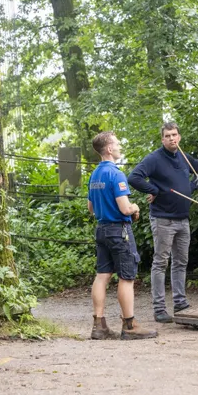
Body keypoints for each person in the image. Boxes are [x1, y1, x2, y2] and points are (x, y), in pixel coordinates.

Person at [88, 132, 158, 340]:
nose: (120, 147)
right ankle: (129, 325)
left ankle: (98, 325)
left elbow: (91, 208)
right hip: (119, 231)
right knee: (126, 277)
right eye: (117, 144)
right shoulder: (116, 174)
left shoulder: (95, 175)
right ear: (109, 149)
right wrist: (135, 206)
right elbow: (125, 208)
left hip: (101, 229)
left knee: (102, 275)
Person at [127, 122, 198, 323]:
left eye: (174, 135)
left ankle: (180, 302)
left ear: (179, 137)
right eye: (167, 136)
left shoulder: (184, 156)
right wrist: (154, 190)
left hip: (183, 218)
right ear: (162, 139)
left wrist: (192, 187)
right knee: (160, 263)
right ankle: (159, 308)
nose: (171, 138)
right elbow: (134, 177)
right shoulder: (154, 158)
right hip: (163, 218)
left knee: (181, 262)